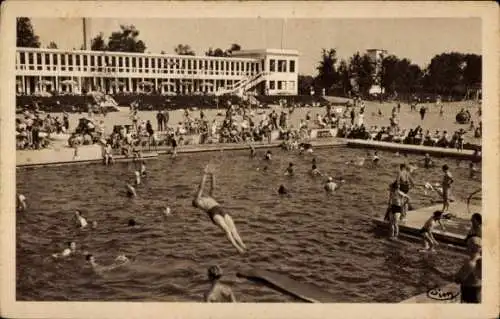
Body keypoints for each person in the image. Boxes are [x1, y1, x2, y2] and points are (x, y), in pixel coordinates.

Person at [192, 165, 247, 254]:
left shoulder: (209, 198)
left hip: (220, 209)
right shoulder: (197, 201)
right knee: (227, 230)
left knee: (234, 230)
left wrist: (213, 175)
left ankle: (244, 246)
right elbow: (201, 187)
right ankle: (237, 248)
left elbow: (213, 187)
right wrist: (204, 174)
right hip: (213, 212)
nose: (198, 195)